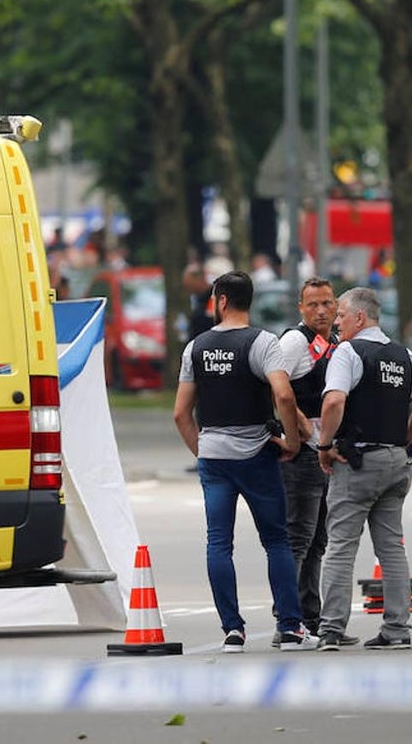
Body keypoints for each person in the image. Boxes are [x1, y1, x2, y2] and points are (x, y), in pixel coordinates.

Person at [172, 271, 319, 652]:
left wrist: (203, 452)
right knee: (276, 541)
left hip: (215, 457)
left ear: (220, 301)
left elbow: (181, 414)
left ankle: (232, 631)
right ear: (247, 301)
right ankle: (290, 627)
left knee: (219, 543)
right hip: (256, 455)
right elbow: (284, 397)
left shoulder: (196, 347)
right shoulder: (262, 342)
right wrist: (291, 440)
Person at [314, 287, 412, 651]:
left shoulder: (349, 352)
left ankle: (331, 629)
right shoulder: (402, 355)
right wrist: (403, 439)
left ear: (359, 317)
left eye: (340, 315)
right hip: (395, 461)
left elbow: (335, 400)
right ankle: (397, 629)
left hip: (358, 461)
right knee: (391, 547)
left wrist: (325, 444)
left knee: (340, 545)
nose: (336, 322)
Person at [275, 278, 358, 646]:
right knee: (298, 539)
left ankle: (311, 616)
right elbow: (275, 387)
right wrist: (296, 431)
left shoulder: (339, 342)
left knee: (318, 541)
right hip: (303, 456)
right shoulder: (295, 342)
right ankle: (287, 622)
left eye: (327, 303)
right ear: (301, 308)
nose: (321, 311)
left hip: (328, 452)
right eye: (313, 305)